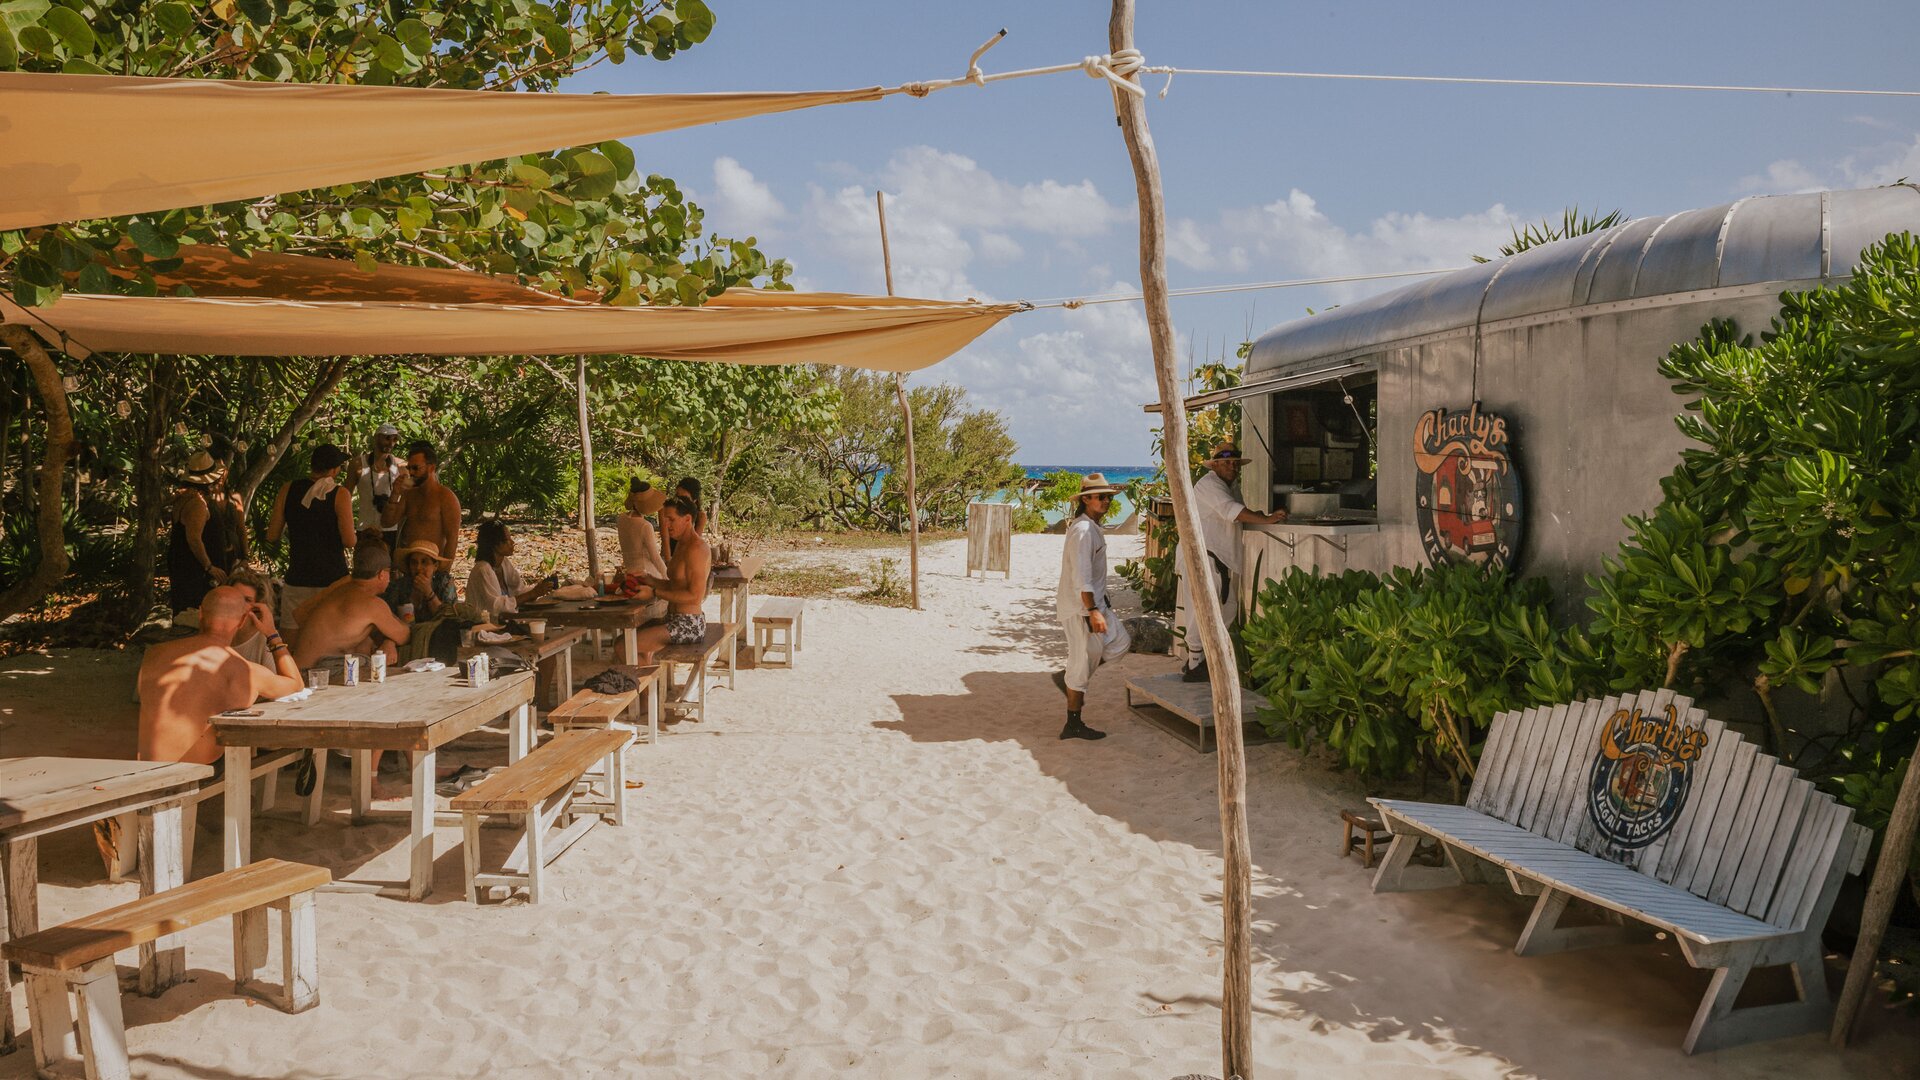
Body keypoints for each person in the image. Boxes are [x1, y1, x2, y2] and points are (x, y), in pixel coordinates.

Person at [138, 586, 304, 767]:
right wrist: (272, 633)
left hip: (147, 769)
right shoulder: (246, 671)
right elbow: (295, 683)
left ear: (200, 614)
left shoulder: (154, 654)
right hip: (199, 772)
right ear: (242, 622)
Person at [1177, 441, 1288, 683]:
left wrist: (1262, 517)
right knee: (1203, 608)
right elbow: (1233, 511)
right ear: (1214, 465)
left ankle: (1202, 661)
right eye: (1226, 462)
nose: (1232, 467)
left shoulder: (1230, 485)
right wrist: (1267, 519)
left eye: (1235, 463)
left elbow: (1240, 512)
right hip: (1205, 556)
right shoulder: (1209, 485)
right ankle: (1196, 663)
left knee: (1223, 609)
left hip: (1218, 556)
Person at [1051, 473, 1132, 741]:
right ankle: (1072, 724)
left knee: (1120, 642)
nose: (1106, 501)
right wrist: (1092, 611)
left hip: (1096, 604)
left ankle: (1069, 678)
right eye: (1100, 497)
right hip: (1082, 608)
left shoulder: (1091, 527)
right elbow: (1082, 577)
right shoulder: (1084, 531)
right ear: (1086, 500)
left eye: (1108, 496)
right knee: (1080, 666)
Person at [266, 443, 356, 645]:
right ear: (334, 470)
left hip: (298, 575)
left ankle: (290, 675)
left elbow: (272, 534)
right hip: (332, 579)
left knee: (290, 640)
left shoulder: (288, 489)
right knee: (332, 640)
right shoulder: (340, 494)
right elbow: (350, 541)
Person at [292, 541, 410, 668]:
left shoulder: (340, 591)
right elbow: (404, 636)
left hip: (299, 670)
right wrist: (390, 641)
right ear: (382, 574)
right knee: (371, 662)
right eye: (389, 574)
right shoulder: (372, 604)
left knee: (364, 643)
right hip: (316, 674)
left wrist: (388, 642)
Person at [629, 496, 711, 663]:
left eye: (671, 519)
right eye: (665, 519)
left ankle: (643, 689)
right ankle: (648, 688)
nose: (666, 525)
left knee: (626, 646)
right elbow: (676, 585)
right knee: (625, 641)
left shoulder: (697, 549)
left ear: (687, 519)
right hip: (673, 619)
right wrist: (649, 579)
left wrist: (654, 592)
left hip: (689, 625)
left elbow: (695, 596)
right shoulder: (681, 544)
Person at [166, 450, 237, 626]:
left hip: (187, 565)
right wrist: (209, 566)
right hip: (194, 570)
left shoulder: (188, 497)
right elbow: (194, 539)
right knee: (193, 615)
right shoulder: (196, 503)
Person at [385, 440, 461, 600]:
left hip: (432, 568)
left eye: (416, 468)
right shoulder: (408, 495)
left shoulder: (446, 497)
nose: (411, 472)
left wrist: (442, 573)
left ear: (431, 467)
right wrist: (395, 494)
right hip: (410, 567)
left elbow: (452, 537)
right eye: (409, 467)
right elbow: (387, 522)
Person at [467, 520, 555, 618]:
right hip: (484, 627)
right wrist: (532, 593)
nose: (512, 542)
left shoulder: (504, 563)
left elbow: (518, 591)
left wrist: (540, 588)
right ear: (496, 545)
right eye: (507, 540)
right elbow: (497, 607)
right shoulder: (483, 570)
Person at [346, 422, 404, 550]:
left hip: (392, 529)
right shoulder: (357, 464)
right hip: (366, 528)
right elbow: (345, 496)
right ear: (376, 437)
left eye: (394, 439)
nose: (391, 443)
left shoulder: (401, 466)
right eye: (387, 438)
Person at [387, 539, 458, 622]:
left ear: (435, 566)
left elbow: (449, 618)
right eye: (414, 562)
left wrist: (428, 592)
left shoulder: (445, 583)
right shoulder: (400, 585)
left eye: (424, 562)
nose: (418, 567)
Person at [617, 479, 668, 582]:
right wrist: (667, 577)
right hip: (646, 575)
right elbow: (655, 558)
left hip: (629, 575)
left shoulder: (621, 519)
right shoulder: (645, 526)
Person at [662, 476, 708, 562]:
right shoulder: (669, 509)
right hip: (670, 555)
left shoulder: (700, 516)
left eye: (684, 497)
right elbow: (665, 538)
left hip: (686, 556)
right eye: (678, 496)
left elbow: (695, 542)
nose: (680, 500)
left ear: (694, 500)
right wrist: (669, 562)